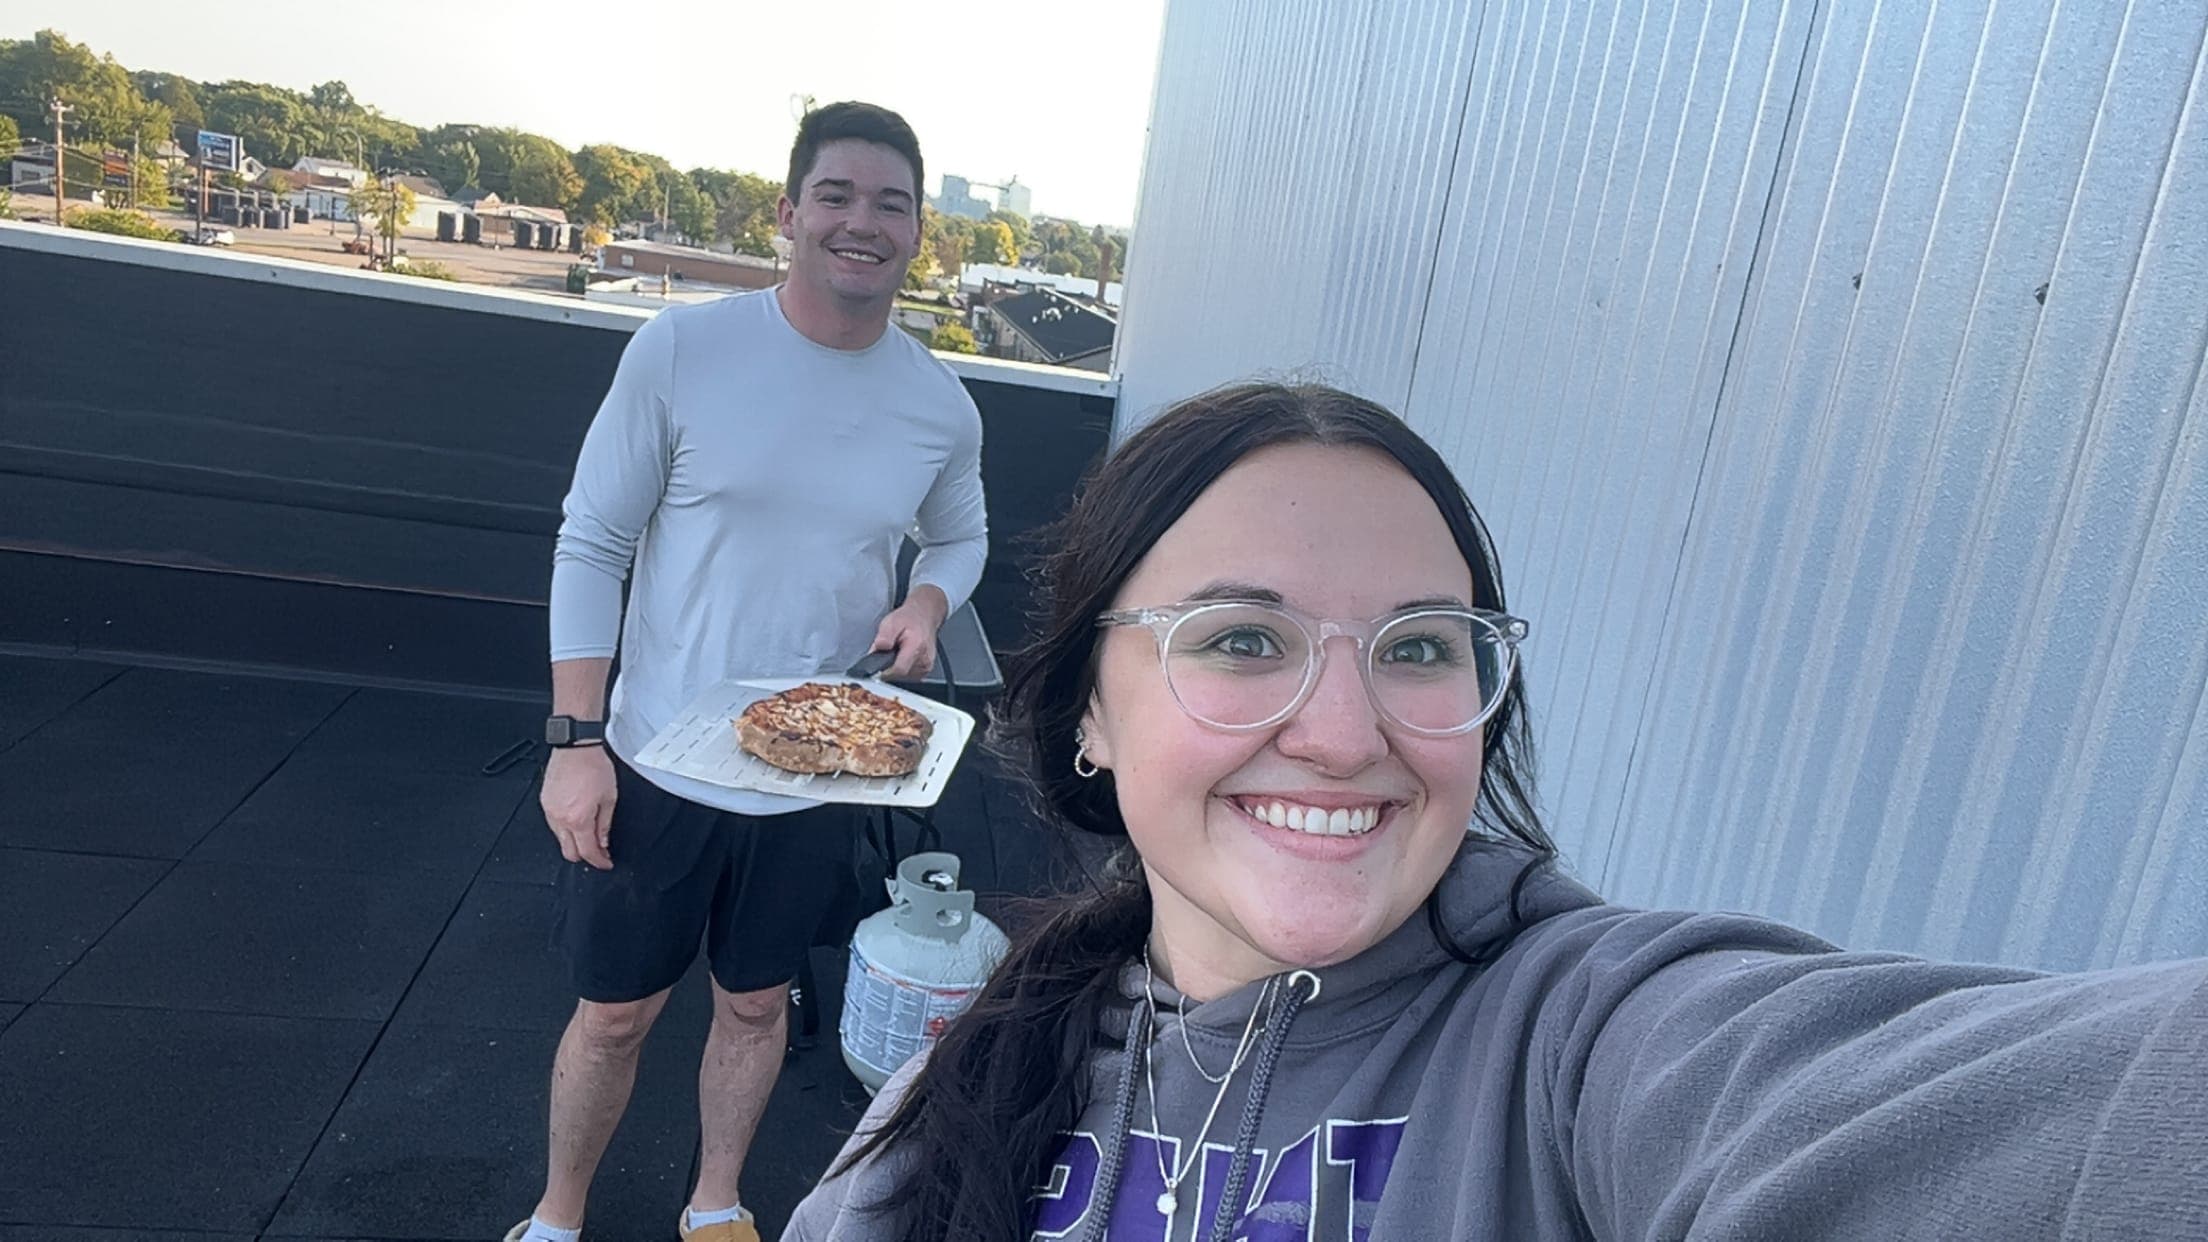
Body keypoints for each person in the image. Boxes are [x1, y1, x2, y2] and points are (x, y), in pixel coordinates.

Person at [783, 383, 2207, 1240]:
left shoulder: (1586, 1036)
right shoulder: (974, 1075)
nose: (1346, 736)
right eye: (1239, 637)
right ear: (1090, 705)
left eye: (1417, 646)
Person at [509, 101, 986, 1242]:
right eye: (837, 196)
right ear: (790, 213)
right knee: (614, 1017)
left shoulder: (940, 403)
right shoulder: (683, 349)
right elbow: (592, 543)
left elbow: (961, 537)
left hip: (821, 770)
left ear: (919, 233)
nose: (862, 223)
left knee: (758, 1003)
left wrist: (926, 599)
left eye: (891, 205)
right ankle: (558, 1215)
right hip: (658, 757)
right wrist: (575, 745)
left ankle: (715, 1203)